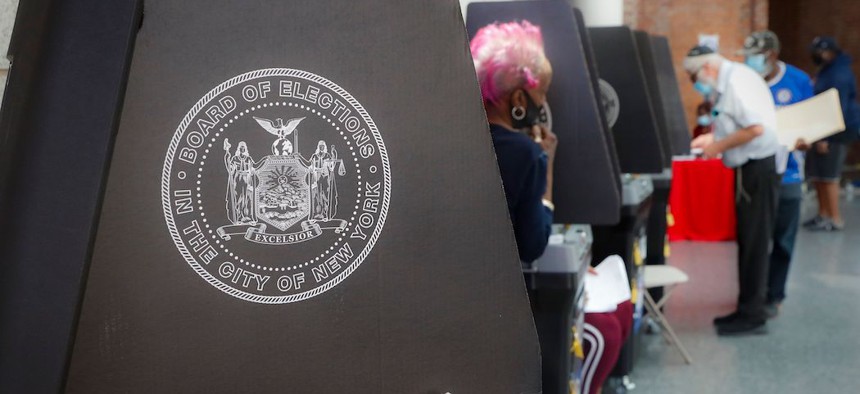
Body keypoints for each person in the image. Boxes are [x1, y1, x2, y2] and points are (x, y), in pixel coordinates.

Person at [683, 45, 781, 335]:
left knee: (754, 243)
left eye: (694, 77)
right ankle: (747, 307)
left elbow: (755, 128)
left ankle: (753, 314)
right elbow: (737, 124)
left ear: (708, 68)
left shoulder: (737, 81)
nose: (695, 84)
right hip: (750, 169)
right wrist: (712, 138)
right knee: (748, 241)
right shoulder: (731, 81)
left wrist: (716, 147)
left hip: (757, 170)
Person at [470, 20, 557, 263]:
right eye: (542, 92)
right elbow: (532, 246)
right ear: (519, 99)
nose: (543, 102)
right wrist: (546, 167)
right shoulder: (527, 155)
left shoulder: (453, 140)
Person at [742, 31, 814, 317]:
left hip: (790, 175)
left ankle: (775, 295)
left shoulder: (798, 81)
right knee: (753, 241)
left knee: (783, 239)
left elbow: (810, 121)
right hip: (756, 173)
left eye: (754, 55)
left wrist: (809, 137)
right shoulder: (747, 84)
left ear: (771, 55)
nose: (750, 61)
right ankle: (752, 296)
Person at [804, 36, 860, 231]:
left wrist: (826, 137)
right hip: (822, 129)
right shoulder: (827, 70)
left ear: (830, 52)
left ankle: (835, 218)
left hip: (837, 131)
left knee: (829, 175)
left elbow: (837, 109)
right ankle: (823, 214)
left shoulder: (839, 74)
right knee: (818, 174)